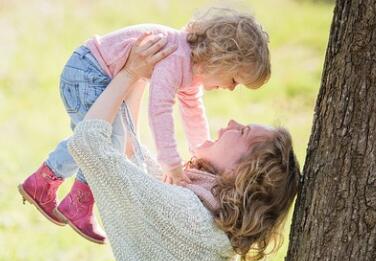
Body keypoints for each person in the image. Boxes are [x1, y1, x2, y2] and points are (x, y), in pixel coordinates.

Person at [18, 7, 271, 244]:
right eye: (235, 80)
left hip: (94, 74)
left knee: (101, 138)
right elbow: (159, 110)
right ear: (221, 59)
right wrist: (171, 164)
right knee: (102, 139)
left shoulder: (191, 68)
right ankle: (73, 199)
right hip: (87, 73)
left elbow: (193, 112)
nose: (230, 88)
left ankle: (48, 185)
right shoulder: (176, 57)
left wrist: (200, 151)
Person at [64, 31, 300, 261]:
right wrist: (144, 75)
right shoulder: (207, 213)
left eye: (242, 132)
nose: (231, 122)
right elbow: (131, 154)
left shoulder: (189, 217)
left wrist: (129, 74)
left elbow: (89, 144)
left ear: (241, 171)